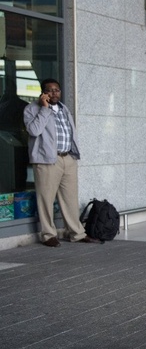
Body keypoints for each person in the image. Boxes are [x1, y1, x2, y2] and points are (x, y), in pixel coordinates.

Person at [23, 78, 101, 247]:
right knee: (46, 199)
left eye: (57, 90)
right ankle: (48, 234)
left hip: (68, 158)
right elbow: (34, 130)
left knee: (70, 199)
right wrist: (44, 109)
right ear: (43, 93)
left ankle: (77, 233)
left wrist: (74, 154)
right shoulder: (32, 109)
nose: (54, 93)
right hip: (47, 160)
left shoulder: (64, 108)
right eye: (50, 90)